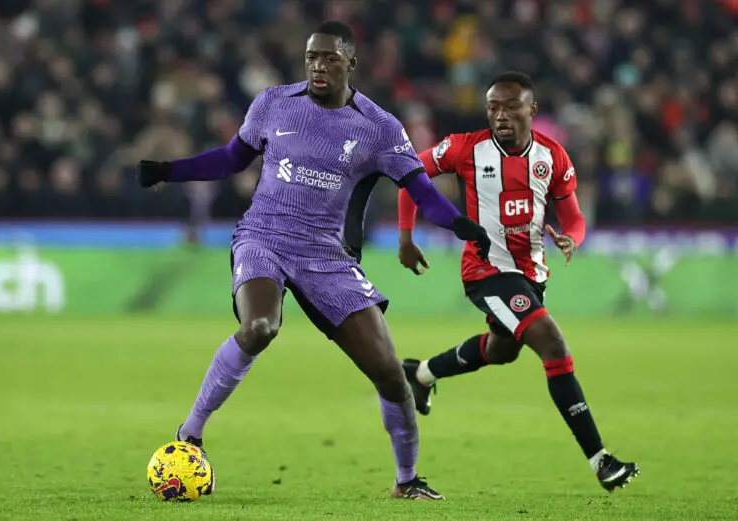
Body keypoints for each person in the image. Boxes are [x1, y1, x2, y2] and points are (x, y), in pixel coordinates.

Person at [135, 21, 492, 500]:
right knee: (260, 326)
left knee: (389, 372)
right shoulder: (272, 103)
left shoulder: (379, 127)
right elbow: (230, 160)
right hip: (263, 237)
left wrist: (461, 225)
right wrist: (168, 171)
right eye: (311, 57)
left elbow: (422, 192)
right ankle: (191, 433)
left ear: (351, 63)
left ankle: (407, 481)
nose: (318, 66)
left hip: (326, 255)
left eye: (328, 58)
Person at [396, 71, 640, 492]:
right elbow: (409, 175)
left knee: (502, 349)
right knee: (553, 344)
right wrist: (405, 236)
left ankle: (419, 375)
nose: (501, 115)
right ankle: (601, 460)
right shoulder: (464, 148)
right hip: (486, 271)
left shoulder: (553, 157)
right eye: (493, 107)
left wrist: (572, 238)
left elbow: (575, 217)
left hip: (531, 275)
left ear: (532, 110)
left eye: (510, 107)